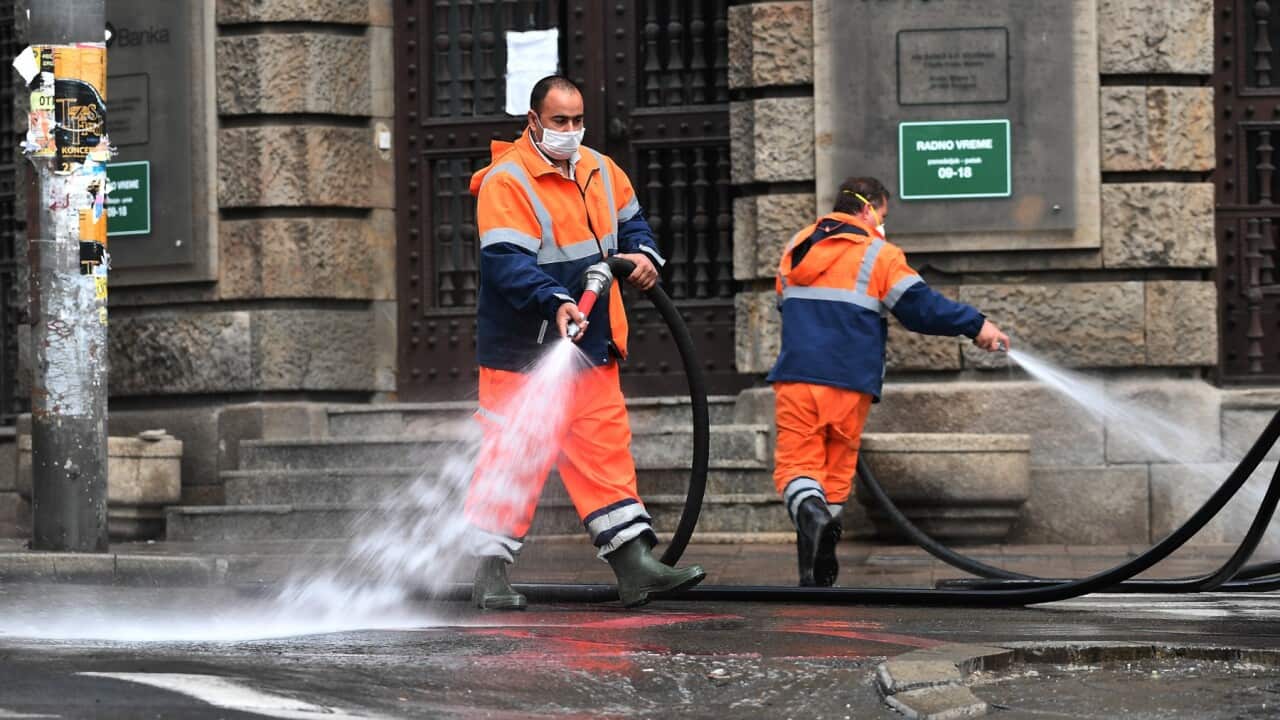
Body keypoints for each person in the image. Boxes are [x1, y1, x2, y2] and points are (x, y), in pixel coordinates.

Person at [462, 75, 706, 609]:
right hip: (524, 355)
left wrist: (643, 257)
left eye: (577, 121)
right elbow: (506, 265)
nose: (571, 132)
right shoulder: (509, 182)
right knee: (514, 458)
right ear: (534, 122)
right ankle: (490, 573)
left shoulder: (600, 168)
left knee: (605, 453)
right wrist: (555, 299)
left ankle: (633, 564)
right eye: (559, 122)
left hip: (592, 346)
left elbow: (634, 225)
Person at [768, 176, 1010, 587]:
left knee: (798, 470)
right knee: (835, 474)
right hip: (849, 381)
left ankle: (812, 562)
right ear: (867, 209)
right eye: (883, 214)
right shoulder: (877, 254)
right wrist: (976, 325)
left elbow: (783, 306)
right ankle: (816, 568)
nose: (883, 222)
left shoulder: (796, 248)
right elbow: (921, 309)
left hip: (796, 376)